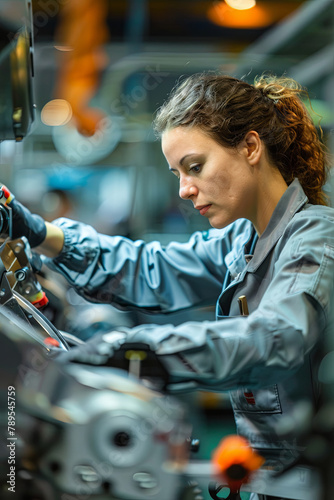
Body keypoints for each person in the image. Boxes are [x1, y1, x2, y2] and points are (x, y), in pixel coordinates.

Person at [2, 73, 333, 500]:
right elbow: (151, 268)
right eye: (177, 173)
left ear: (251, 147)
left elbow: (274, 337)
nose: (184, 189)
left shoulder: (317, 237)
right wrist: (36, 230)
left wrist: (135, 352)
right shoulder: (244, 240)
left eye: (195, 167)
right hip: (267, 481)